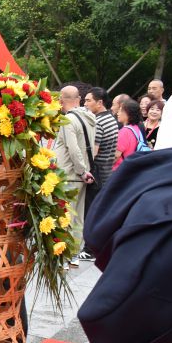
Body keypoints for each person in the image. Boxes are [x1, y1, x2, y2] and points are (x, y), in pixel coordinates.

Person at [53, 86, 96, 260]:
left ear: (61, 100)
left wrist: (81, 170)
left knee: (65, 216)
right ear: (79, 98)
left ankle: (63, 255)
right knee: (77, 216)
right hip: (82, 175)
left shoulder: (68, 120)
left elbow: (73, 148)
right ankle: (74, 254)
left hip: (70, 174)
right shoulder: (89, 117)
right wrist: (85, 171)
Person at [78, 87, 118, 260]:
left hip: (98, 173)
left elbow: (93, 152)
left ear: (99, 102)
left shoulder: (98, 122)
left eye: (88, 100)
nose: (85, 104)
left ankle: (90, 249)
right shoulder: (111, 118)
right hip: (107, 171)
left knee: (91, 212)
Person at [113, 98, 148, 170]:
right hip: (131, 168)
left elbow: (116, 156)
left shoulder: (124, 131)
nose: (118, 113)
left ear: (128, 113)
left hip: (120, 170)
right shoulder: (136, 128)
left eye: (120, 110)